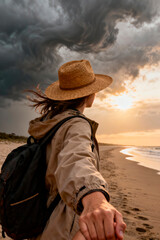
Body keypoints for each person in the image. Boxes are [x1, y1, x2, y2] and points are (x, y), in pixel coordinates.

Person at [28, 60, 126, 240]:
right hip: (62, 227)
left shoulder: (51, 122)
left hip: (41, 220)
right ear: (89, 95)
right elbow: (75, 158)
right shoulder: (76, 124)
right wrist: (94, 198)